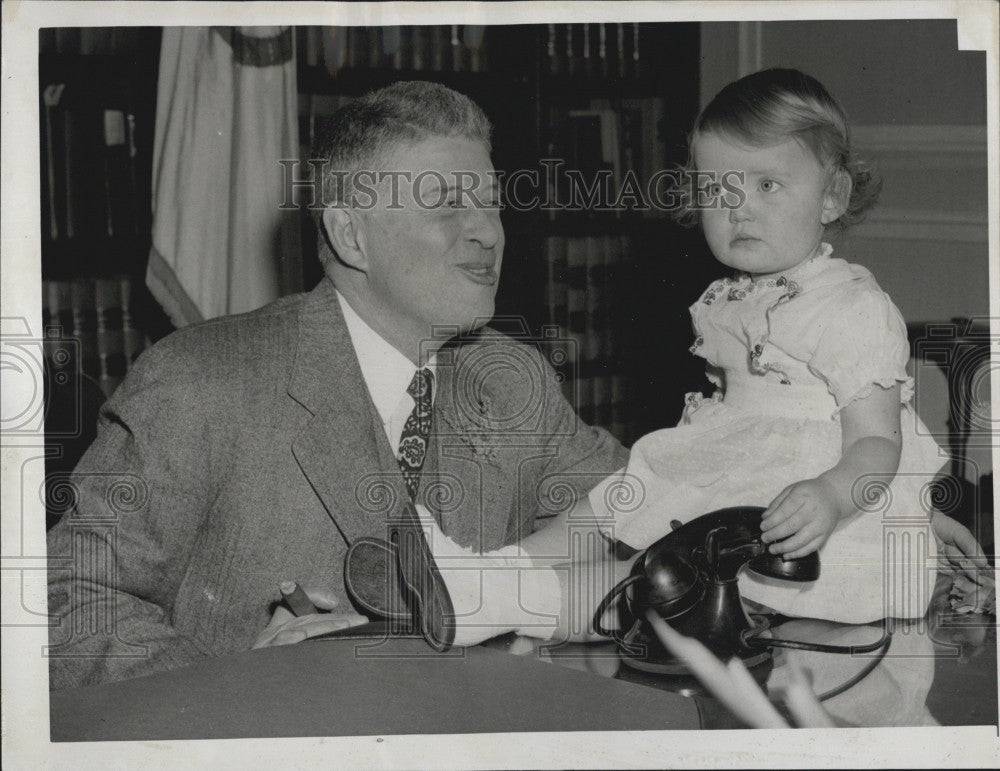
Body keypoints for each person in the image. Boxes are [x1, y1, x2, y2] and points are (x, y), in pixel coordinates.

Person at [46, 81, 628, 689]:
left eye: (492, 202)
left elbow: (648, 521)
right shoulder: (202, 379)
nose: (489, 232)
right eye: (448, 204)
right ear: (352, 235)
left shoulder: (510, 381)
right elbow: (65, 600)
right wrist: (240, 687)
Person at [550, 68, 957, 624]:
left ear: (832, 196)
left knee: (657, 586)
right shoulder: (726, 297)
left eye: (767, 185)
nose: (738, 208)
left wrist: (833, 496)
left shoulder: (852, 305)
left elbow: (877, 444)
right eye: (719, 189)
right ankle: (501, 566)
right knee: (608, 503)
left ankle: (512, 603)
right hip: (732, 458)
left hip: (801, 497)